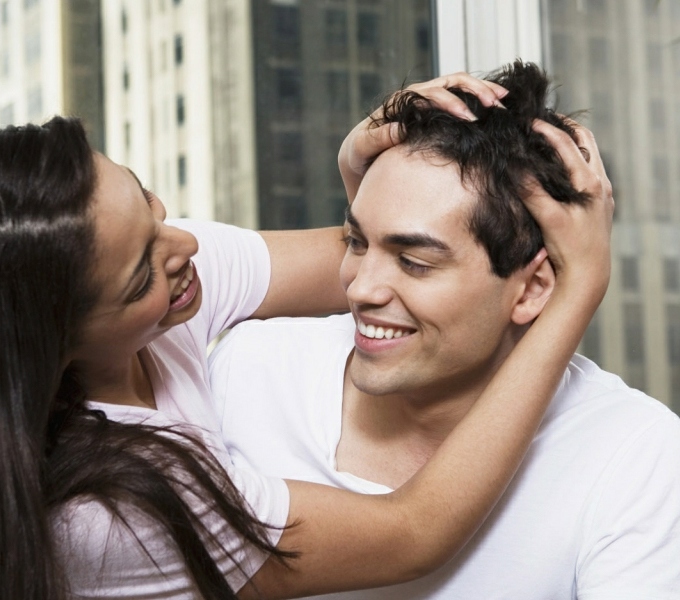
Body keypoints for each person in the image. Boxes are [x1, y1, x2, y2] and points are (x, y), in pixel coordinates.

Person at [0, 71, 613, 600]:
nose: (185, 247)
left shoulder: (159, 276)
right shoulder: (113, 511)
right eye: (141, 272)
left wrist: (365, 176)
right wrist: (579, 286)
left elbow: (381, 271)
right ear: (54, 346)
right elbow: (414, 532)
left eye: (150, 204)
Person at [210, 61, 680, 599]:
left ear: (532, 287)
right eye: (357, 242)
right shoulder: (250, 371)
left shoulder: (636, 456)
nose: (360, 289)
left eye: (414, 261)